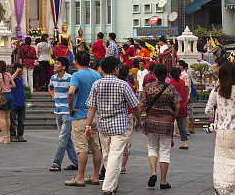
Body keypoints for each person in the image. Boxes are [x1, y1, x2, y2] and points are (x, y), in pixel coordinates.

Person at [84, 55, 142, 195]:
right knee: (114, 156)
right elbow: (134, 106)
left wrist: (87, 126)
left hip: (103, 126)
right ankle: (108, 187)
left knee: (108, 156)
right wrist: (139, 120)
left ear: (103, 69)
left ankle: (112, 184)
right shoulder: (123, 85)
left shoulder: (97, 84)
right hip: (119, 125)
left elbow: (92, 107)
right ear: (116, 69)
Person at [206, 61, 235, 195]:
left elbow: (207, 110)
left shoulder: (216, 90)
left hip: (221, 131)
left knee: (221, 162)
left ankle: (220, 188)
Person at [139, 63, 179, 190]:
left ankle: (153, 172)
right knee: (165, 151)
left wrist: (138, 119)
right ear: (166, 74)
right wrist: (173, 117)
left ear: (154, 75)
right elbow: (177, 105)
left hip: (151, 121)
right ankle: (163, 180)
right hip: (166, 123)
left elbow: (141, 104)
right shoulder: (171, 88)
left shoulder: (148, 87)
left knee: (152, 148)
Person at [65, 50, 101, 187]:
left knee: (82, 147)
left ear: (75, 61)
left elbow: (71, 92)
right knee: (95, 146)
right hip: (94, 115)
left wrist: (70, 109)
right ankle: (95, 176)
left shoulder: (76, 75)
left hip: (80, 115)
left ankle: (79, 177)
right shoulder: (97, 75)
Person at [48, 56, 78, 172]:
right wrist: (54, 96)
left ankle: (56, 163)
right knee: (66, 139)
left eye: (57, 64)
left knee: (62, 139)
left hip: (67, 112)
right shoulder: (53, 78)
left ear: (64, 67)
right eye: (55, 63)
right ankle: (76, 162)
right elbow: (50, 88)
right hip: (58, 112)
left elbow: (75, 92)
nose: (55, 65)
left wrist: (73, 106)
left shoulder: (70, 78)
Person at [167, 66, 189, 149]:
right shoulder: (182, 82)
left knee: (170, 124)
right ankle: (184, 142)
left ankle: (169, 141)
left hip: (172, 106)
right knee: (181, 124)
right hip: (181, 105)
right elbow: (185, 93)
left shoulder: (170, 83)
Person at [177, 60, 195, 135]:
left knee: (186, 114)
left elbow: (187, 87)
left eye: (178, 65)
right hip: (181, 97)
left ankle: (188, 130)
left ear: (182, 66)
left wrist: (186, 97)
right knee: (184, 114)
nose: (176, 66)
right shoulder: (180, 75)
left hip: (185, 97)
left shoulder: (185, 75)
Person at [9, 64, 26, 142]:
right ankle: (12, 135)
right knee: (12, 120)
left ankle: (20, 135)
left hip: (21, 102)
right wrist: (16, 72)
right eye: (19, 70)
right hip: (14, 102)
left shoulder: (21, 78)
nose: (21, 72)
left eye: (21, 70)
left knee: (21, 121)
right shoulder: (13, 78)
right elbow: (10, 80)